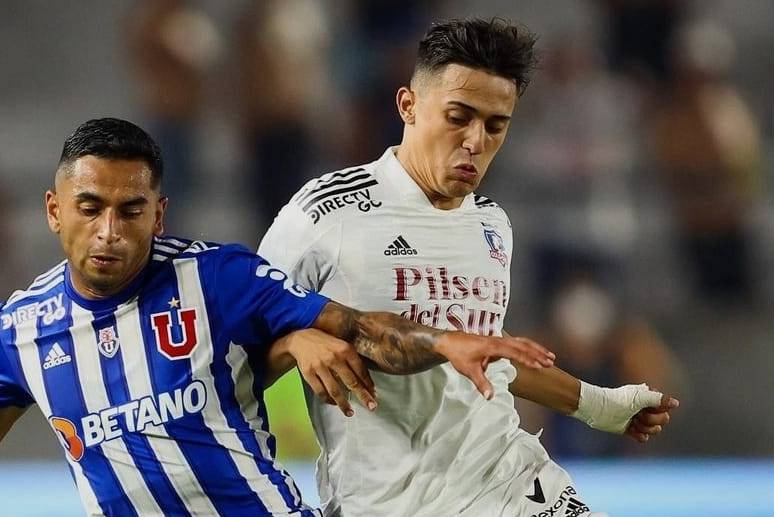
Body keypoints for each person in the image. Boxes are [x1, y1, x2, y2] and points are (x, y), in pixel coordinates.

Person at [0, 118, 557, 516]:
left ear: (159, 215)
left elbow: (361, 327)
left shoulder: (218, 277)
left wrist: (443, 344)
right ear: (55, 211)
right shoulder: (19, 331)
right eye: (90, 207)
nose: (109, 231)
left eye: (131, 210)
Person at [259, 18, 679, 516]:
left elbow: (484, 359)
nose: (476, 141)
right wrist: (294, 341)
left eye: (495, 125)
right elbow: (238, 344)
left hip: (507, 483)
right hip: (388, 502)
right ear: (408, 106)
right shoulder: (326, 213)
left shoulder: (492, 224)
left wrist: (596, 404)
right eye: (459, 117)